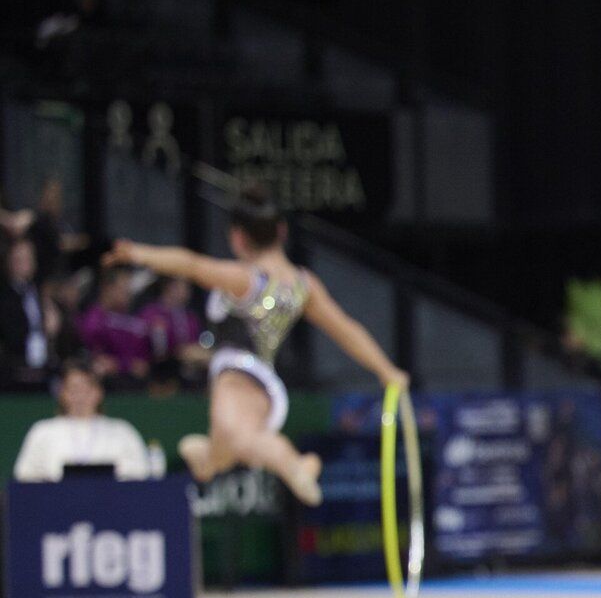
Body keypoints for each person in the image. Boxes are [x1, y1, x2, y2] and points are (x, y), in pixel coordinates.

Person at [101, 184, 408, 506]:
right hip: (263, 380)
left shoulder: (245, 278)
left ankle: (293, 462)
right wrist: (386, 370)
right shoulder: (304, 286)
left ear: (237, 237)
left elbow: (190, 264)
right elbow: (347, 330)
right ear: (282, 231)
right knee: (227, 448)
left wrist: (138, 253)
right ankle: (206, 457)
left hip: (236, 373)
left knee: (244, 440)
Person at [13, 361, 151, 481]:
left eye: (86, 388)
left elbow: (140, 474)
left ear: (98, 392)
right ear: (63, 394)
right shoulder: (43, 431)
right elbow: (24, 475)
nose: (80, 396)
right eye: (73, 389)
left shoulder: (122, 431)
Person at [77, 267, 153, 384]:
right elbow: (101, 362)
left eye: (129, 289)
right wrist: (127, 365)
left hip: (138, 385)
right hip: (111, 387)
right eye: (123, 289)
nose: (128, 294)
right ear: (108, 288)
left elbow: (143, 360)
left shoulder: (132, 318)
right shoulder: (94, 320)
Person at [0, 237, 50, 387]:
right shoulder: (4, 296)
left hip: (42, 365)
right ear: (9, 262)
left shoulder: (38, 292)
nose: (24, 263)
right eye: (19, 259)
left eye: (28, 258)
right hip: (14, 368)